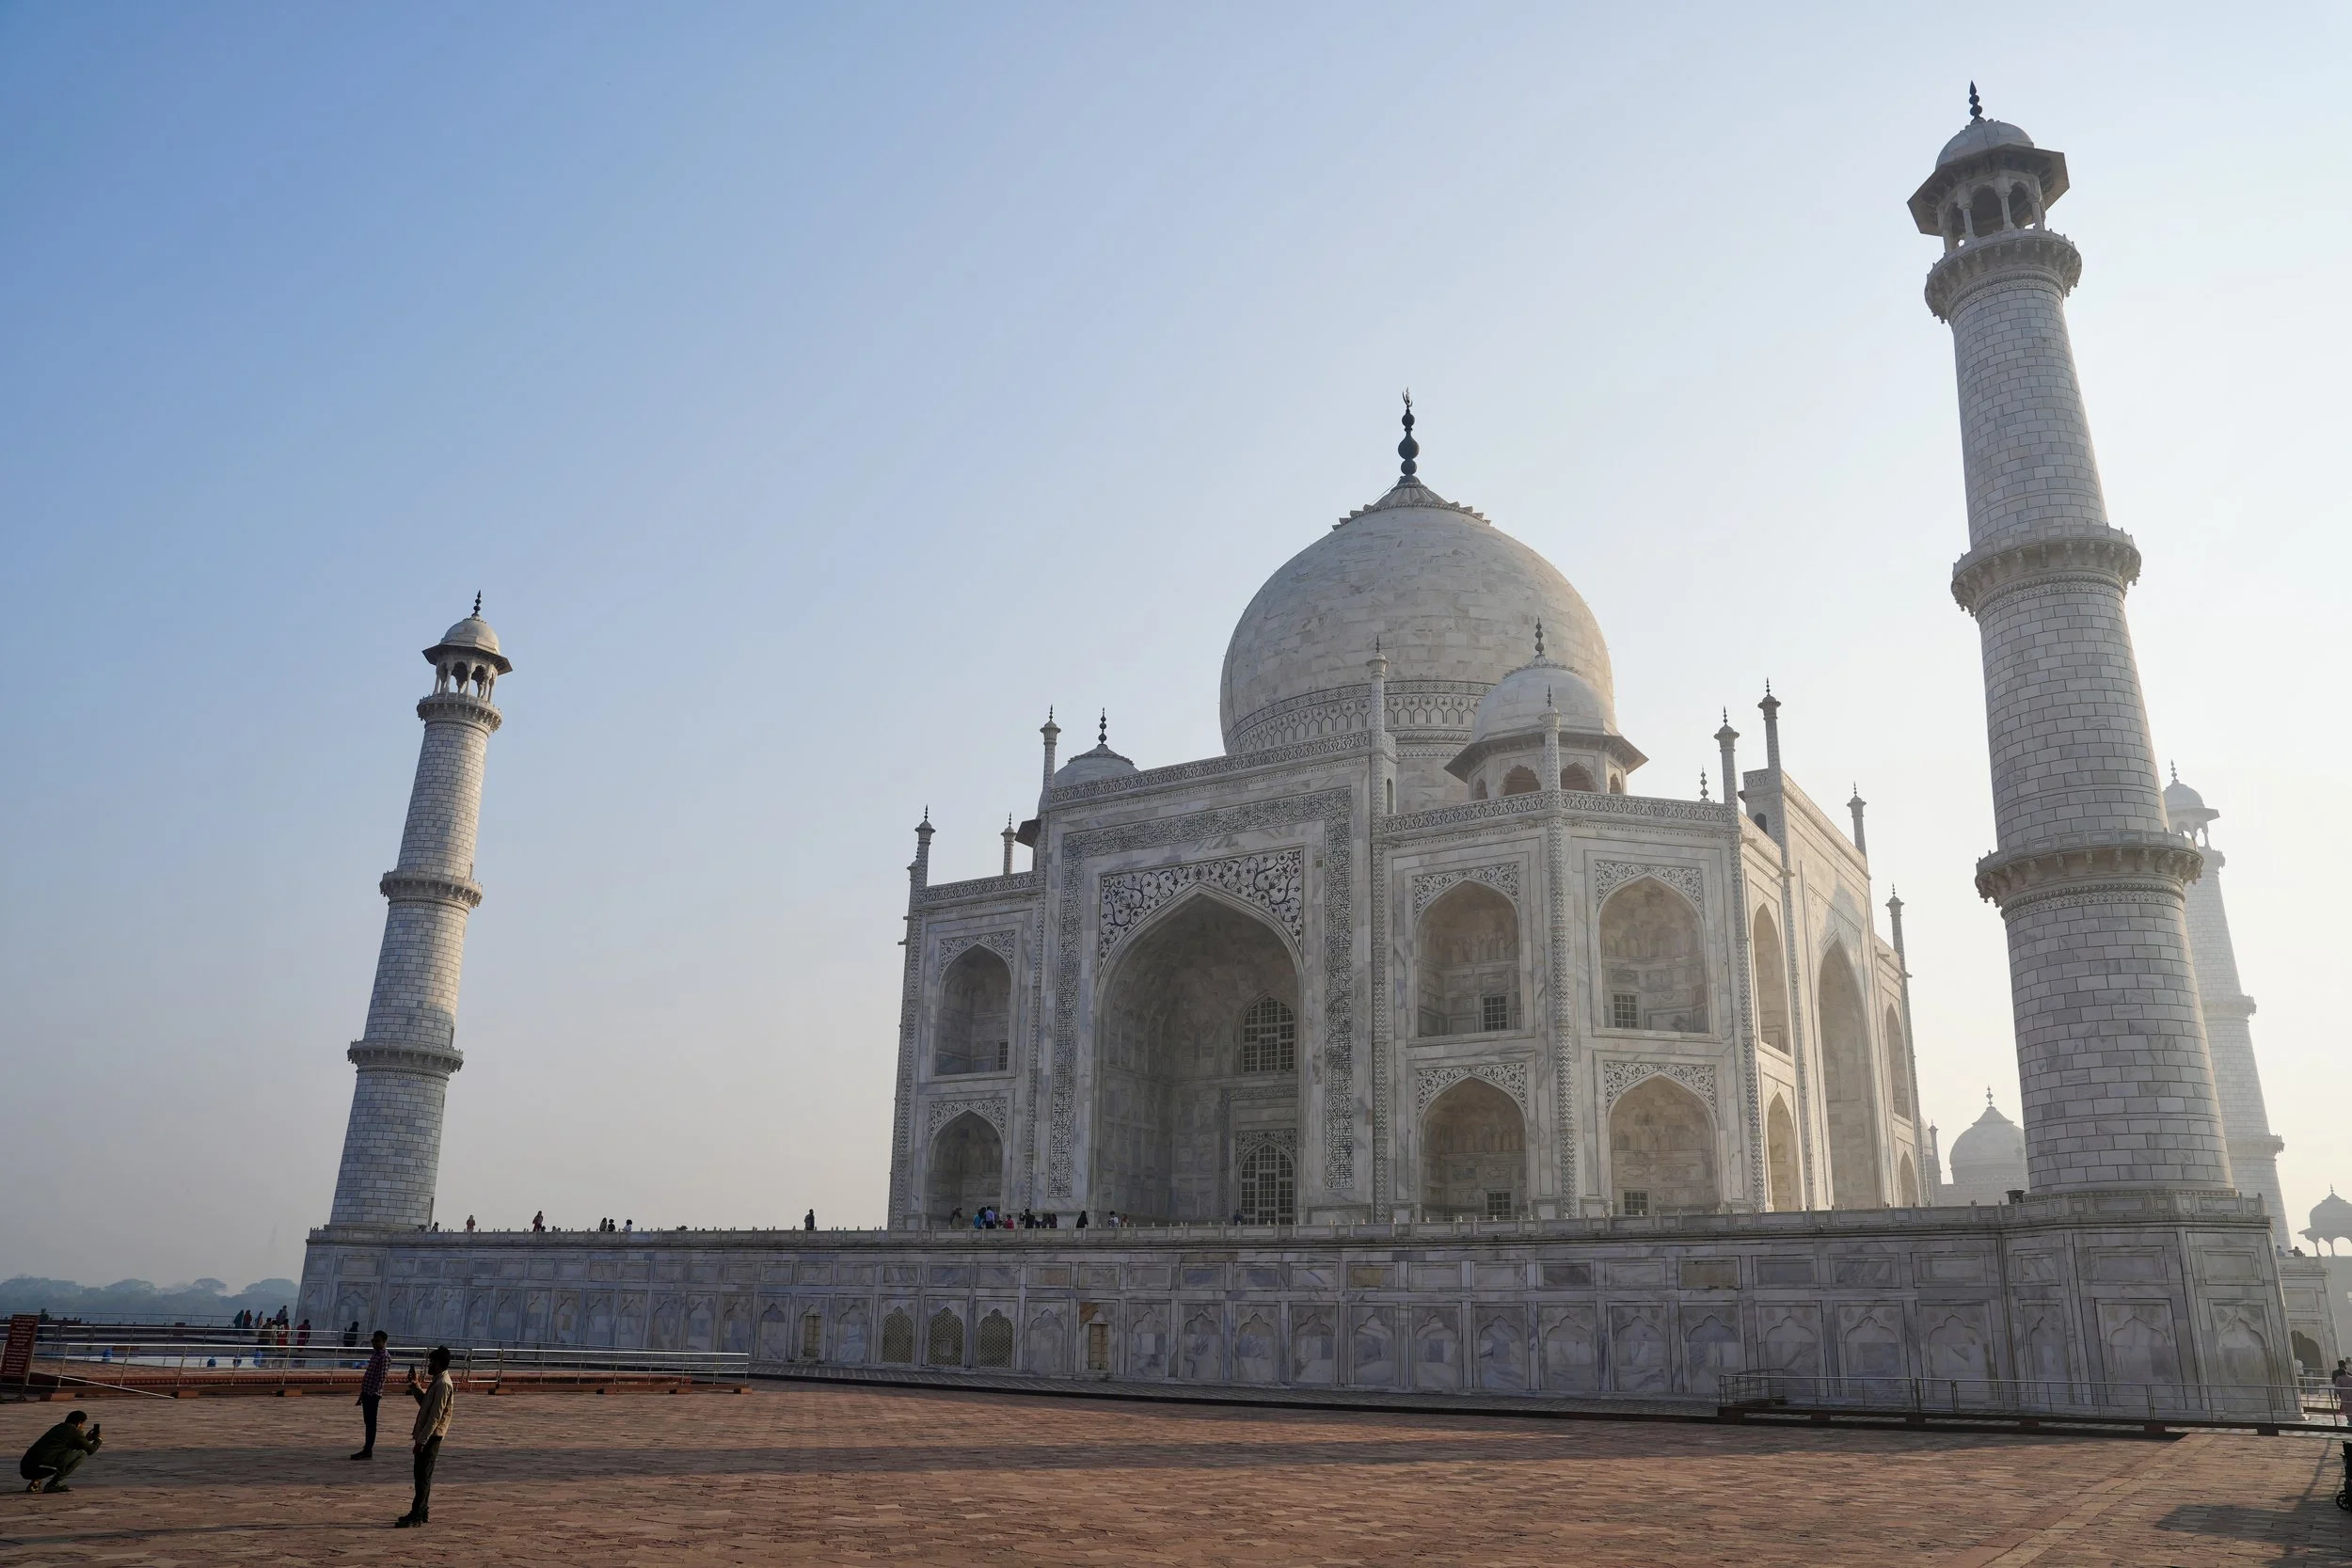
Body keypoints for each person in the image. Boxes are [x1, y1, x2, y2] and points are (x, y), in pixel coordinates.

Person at [395, 1346, 455, 1528]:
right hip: (428, 1435)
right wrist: (415, 1386)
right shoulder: (438, 1381)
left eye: (431, 1362)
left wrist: (421, 1441)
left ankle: (416, 1514)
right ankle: (422, 1511)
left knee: (422, 1477)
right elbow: (425, 1405)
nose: (429, 1365)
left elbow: (435, 1417)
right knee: (422, 1476)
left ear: (438, 1363)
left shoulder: (443, 1384)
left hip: (431, 1437)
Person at [19, 1411, 101, 1494]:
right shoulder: (74, 1430)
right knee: (82, 1453)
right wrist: (98, 1439)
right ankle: (54, 1484)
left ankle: (35, 1482)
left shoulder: (58, 1427)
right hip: (42, 1468)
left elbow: (63, 1447)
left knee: (46, 1454)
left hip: (25, 1469)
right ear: (79, 1422)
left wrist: (85, 1440)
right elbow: (90, 1450)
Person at [352, 1330, 392, 1460]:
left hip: (373, 1394)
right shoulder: (375, 1355)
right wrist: (363, 1394)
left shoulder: (384, 1356)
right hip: (367, 1392)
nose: (374, 1343)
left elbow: (380, 1378)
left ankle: (368, 1449)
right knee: (368, 1422)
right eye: (373, 1341)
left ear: (384, 1342)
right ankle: (367, 1448)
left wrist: (371, 1394)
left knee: (371, 1423)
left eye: (377, 1341)